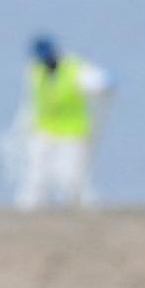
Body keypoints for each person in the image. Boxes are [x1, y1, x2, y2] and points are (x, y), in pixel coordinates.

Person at [12, 35, 112, 211]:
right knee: (36, 171)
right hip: (44, 130)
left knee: (71, 175)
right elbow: (31, 101)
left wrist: (105, 82)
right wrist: (24, 125)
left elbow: (97, 82)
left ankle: (78, 206)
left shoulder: (75, 69)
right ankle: (29, 208)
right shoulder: (35, 71)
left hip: (72, 132)